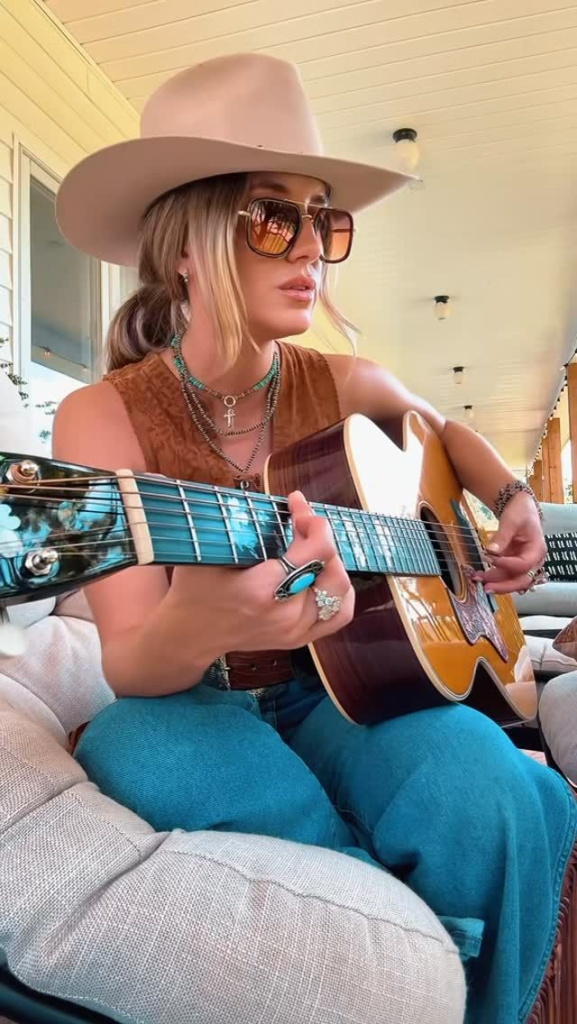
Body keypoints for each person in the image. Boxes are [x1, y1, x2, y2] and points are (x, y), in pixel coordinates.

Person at [53, 53, 576, 1024]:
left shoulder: (340, 382)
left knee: (483, 778)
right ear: (185, 243)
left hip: (344, 689)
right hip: (194, 702)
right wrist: (203, 621)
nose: (310, 249)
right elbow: (129, 661)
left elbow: (443, 431)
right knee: (137, 747)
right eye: (271, 216)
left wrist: (507, 494)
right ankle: (404, 959)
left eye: (321, 219)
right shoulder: (102, 415)